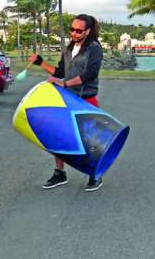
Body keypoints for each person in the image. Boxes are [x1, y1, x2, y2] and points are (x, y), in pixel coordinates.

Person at [29, 14, 104, 192]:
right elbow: (61, 71)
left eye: (79, 31)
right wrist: (41, 63)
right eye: (72, 29)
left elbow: (90, 74)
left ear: (88, 31)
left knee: (89, 140)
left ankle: (95, 175)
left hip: (86, 99)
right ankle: (59, 173)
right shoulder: (69, 47)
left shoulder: (94, 48)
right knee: (58, 135)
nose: (74, 33)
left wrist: (65, 83)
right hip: (67, 98)